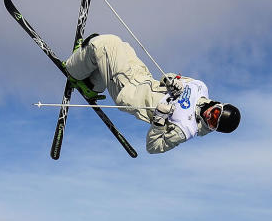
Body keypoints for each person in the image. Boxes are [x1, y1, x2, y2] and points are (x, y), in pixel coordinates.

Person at [63, 34, 240, 154]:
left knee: (102, 44)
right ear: (219, 105)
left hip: (129, 93)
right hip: (142, 78)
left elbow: (153, 147)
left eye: (212, 122)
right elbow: (168, 77)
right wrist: (172, 81)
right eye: (215, 112)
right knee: (120, 44)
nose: (209, 116)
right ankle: (91, 83)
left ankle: (73, 70)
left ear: (212, 128)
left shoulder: (185, 128)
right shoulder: (199, 87)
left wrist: (159, 120)